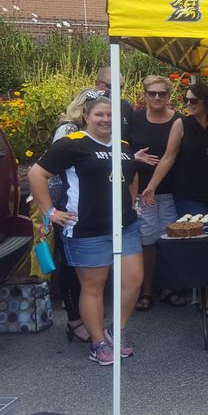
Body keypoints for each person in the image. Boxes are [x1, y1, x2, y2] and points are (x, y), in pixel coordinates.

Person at [27, 94, 143, 366]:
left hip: (124, 225)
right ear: (87, 117)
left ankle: (118, 330)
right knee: (93, 288)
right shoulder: (72, 144)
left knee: (134, 279)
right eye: (99, 115)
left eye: (111, 115)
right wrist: (50, 211)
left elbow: (132, 174)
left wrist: (133, 201)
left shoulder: (124, 145)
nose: (106, 120)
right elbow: (36, 174)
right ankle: (98, 342)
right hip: (86, 228)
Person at [141, 84, 208, 316]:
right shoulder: (181, 124)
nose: (188, 105)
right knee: (199, 243)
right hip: (188, 193)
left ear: (206, 102)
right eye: (186, 100)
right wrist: (151, 187)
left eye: (193, 101)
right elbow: (168, 157)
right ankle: (206, 295)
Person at [128, 76, 185, 310]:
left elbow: (174, 155)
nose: (157, 97)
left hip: (172, 190)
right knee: (147, 243)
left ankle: (170, 288)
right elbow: (122, 150)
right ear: (145, 95)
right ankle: (147, 291)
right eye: (152, 93)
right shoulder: (135, 119)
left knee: (170, 241)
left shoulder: (179, 120)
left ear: (168, 95)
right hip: (142, 192)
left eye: (161, 93)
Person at [49, 88, 96, 344]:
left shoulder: (96, 133)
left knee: (86, 268)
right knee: (69, 265)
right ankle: (74, 320)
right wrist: (53, 209)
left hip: (88, 207)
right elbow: (51, 172)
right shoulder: (68, 131)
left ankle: (86, 317)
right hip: (67, 206)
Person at [95, 66, 133, 138]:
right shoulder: (88, 104)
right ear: (97, 83)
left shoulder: (125, 106)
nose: (117, 90)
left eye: (121, 87)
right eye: (111, 86)